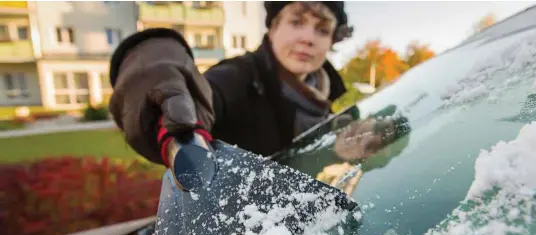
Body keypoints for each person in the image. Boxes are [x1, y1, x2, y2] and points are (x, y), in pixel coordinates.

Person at [109, 1, 354, 166]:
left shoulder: (323, 97)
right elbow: (199, 94)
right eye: (297, 22)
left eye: (322, 30)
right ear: (272, 28)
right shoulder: (238, 77)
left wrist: (343, 149)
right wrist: (154, 60)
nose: (308, 38)